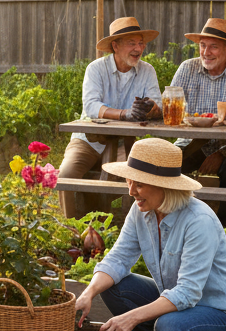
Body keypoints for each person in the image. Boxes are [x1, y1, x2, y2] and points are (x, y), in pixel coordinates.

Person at [74, 138, 226, 331]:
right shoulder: (142, 210)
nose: (132, 190)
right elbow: (119, 258)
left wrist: (130, 319)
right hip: (180, 306)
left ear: (165, 184)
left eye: (140, 183)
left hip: (223, 316)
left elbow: (188, 292)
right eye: (129, 181)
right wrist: (88, 293)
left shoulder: (198, 221)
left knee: (169, 327)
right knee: (113, 287)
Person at [58, 16, 162, 218]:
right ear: (115, 46)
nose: (138, 48)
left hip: (125, 143)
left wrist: (150, 108)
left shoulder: (147, 70)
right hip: (88, 141)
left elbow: (157, 104)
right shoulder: (95, 69)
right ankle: (72, 231)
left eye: (140, 43)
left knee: (139, 178)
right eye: (131, 43)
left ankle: (128, 227)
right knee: (65, 176)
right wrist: (125, 114)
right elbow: (91, 106)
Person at [170, 17, 226, 227]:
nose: (206, 52)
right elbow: (172, 109)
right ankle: (175, 223)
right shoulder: (187, 68)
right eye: (202, 45)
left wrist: (223, 152)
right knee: (169, 163)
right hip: (191, 142)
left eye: (213, 47)